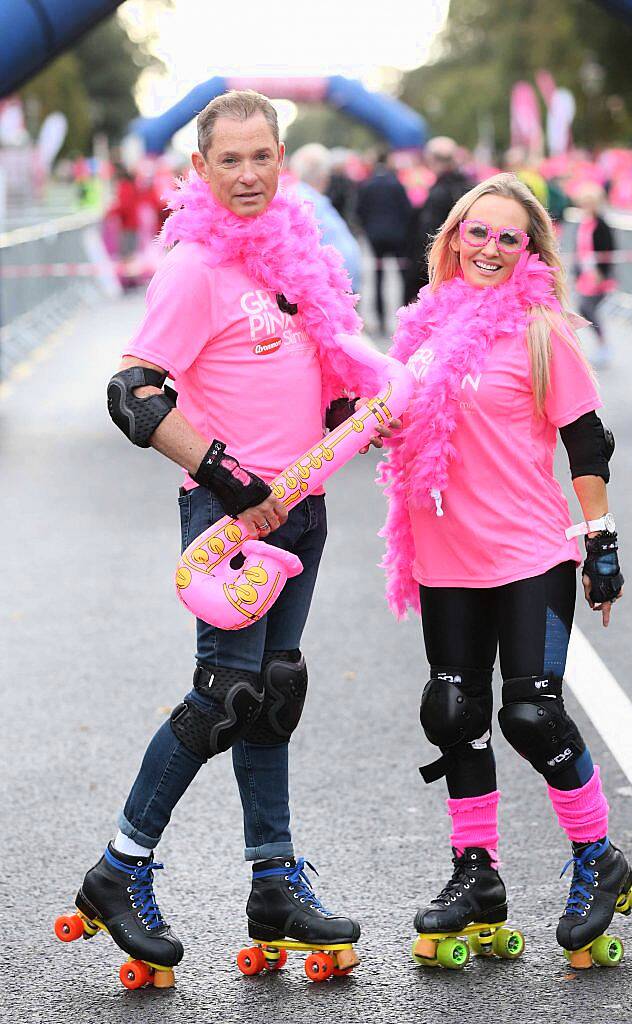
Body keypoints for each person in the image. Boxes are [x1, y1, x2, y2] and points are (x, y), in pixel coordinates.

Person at [63, 89, 397, 982]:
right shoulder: (193, 267)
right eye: (230, 160)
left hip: (304, 506)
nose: (247, 174)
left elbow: (325, 375)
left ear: (281, 161)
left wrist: (358, 414)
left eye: (262, 157)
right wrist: (228, 479)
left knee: (272, 693)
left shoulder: (302, 258)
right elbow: (134, 394)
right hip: (231, 520)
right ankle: (119, 870)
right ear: (202, 170)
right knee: (221, 696)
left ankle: (274, 881)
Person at [378, 173, 632, 963]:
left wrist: (602, 542)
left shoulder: (541, 329)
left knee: (529, 714)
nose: (489, 248)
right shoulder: (420, 331)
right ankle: (476, 871)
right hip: (445, 554)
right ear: (453, 236)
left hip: (527, 550)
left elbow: (586, 440)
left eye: (508, 237)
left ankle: (599, 858)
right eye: (476, 232)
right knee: (454, 713)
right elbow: (392, 424)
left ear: (530, 250)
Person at [403, 136, 472, 304]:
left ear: (432, 160)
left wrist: (415, 274)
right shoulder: (469, 186)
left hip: (440, 264)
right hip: (465, 262)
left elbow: (427, 235)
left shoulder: (438, 192)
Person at [289, 142, 362, 294]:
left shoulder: (312, 198)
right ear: (324, 175)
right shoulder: (304, 201)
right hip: (327, 292)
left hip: (336, 290)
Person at [356, 149, 413, 334]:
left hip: (375, 236)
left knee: (378, 277)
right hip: (397, 235)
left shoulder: (367, 184)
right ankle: (406, 315)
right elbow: (407, 209)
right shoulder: (396, 183)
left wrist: (368, 229)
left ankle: (380, 319)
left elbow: (359, 210)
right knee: (402, 274)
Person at [574, 182, 617, 368]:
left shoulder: (601, 225)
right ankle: (601, 345)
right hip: (585, 274)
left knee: (587, 308)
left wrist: (602, 272)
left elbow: (608, 249)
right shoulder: (584, 222)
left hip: (598, 275)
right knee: (584, 308)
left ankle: (603, 345)